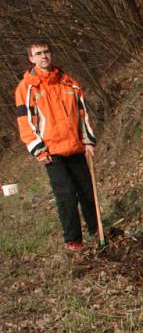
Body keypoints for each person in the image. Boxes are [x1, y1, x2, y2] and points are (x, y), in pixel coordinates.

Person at [15, 40, 98, 253]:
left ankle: (98, 232)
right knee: (67, 196)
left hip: (75, 147)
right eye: (38, 54)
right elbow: (26, 123)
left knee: (88, 192)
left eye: (46, 52)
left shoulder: (69, 83)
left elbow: (82, 114)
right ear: (31, 59)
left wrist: (88, 140)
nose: (44, 56)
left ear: (51, 54)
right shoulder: (27, 88)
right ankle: (73, 241)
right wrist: (38, 149)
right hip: (51, 153)